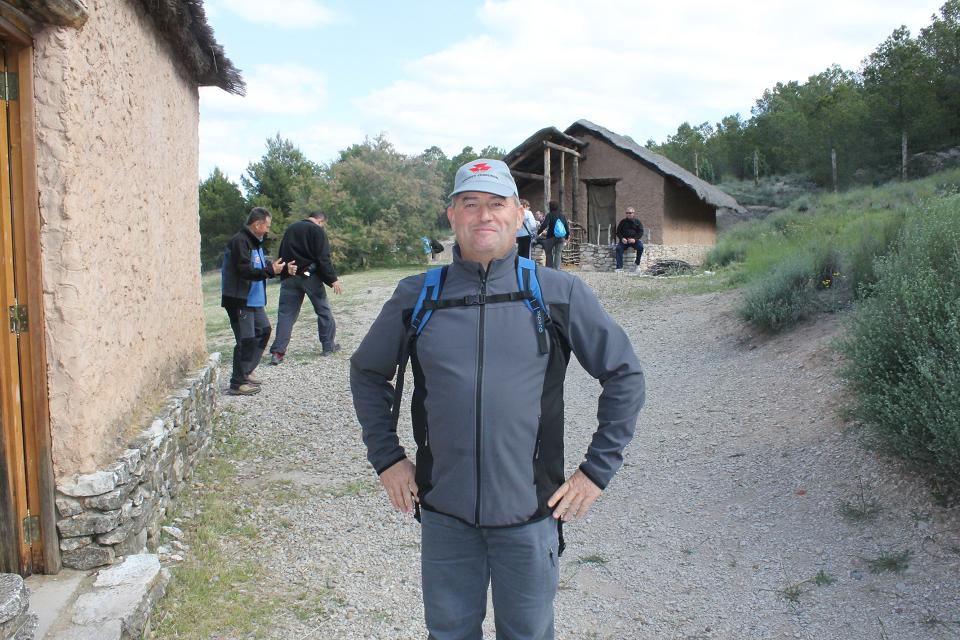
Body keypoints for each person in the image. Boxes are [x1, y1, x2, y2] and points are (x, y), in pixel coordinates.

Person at [350, 158, 644, 639]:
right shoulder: (417, 296)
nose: (483, 215)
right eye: (470, 204)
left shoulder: (557, 293)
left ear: (518, 213)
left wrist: (595, 472)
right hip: (445, 517)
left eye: (496, 203)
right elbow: (367, 372)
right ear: (452, 215)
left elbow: (624, 375)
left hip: (530, 517)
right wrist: (387, 458)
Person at [220, 207, 293, 395]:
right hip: (239, 300)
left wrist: (282, 269)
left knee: (264, 330)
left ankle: (247, 371)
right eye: (267, 226)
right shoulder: (240, 241)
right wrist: (270, 271)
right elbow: (245, 271)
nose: (268, 230)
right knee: (246, 340)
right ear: (257, 224)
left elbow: (261, 267)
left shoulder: (255, 243)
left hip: (254, 300)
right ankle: (237, 384)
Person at [268, 210, 342, 364]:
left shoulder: (291, 228)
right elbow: (323, 258)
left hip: (289, 276)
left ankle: (278, 353)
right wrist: (332, 279)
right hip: (310, 277)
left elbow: (282, 254)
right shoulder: (317, 230)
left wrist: (284, 271)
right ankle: (328, 346)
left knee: (286, 315)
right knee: (323, 311)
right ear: (321, 221)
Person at [538, 200, 568, 269]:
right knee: (558, 253)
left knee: (548, 252)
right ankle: (557, 269)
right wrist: (566, 237)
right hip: (561, 237)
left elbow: (544, 225)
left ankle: (549, 269)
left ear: (550, 207)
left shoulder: (549, 215)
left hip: (551, 237)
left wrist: (538, 232)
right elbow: (566, 227)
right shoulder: (562, 215)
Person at [614, 206, 645, 271]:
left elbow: (641, 232)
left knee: (641, 247)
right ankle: (619, 268)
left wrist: (635, 239)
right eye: (627, 213)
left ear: (633, 213)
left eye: (630, 213)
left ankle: (637, 264)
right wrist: (622, 238)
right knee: (618, 248)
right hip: (624, 241)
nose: (628, 214)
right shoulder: (622, 222)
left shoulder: (637, 222)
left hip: (634, 241)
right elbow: (618, 232)